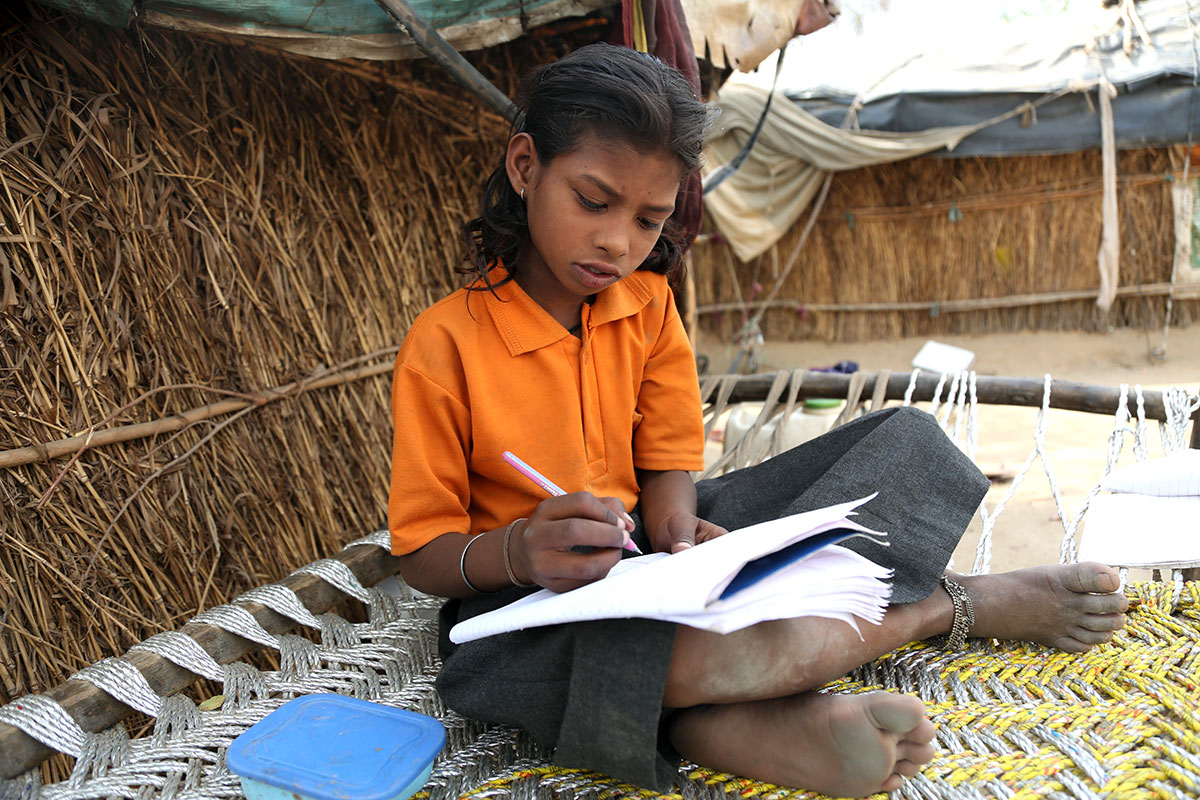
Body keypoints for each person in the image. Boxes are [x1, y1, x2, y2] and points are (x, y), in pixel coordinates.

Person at [388, 43, 1129, 799]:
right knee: (504, 668)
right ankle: (940, 608)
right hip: (523, 602)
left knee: (908, 442)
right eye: (594, 201)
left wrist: (676, 530)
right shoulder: (445, 345)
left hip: (650, 557)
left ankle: (722, 711)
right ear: (525, 167)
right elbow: (422, 554)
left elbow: (666, 461)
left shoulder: (646, 304)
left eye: (648, 220)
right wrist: (520, 550)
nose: (618, 242)